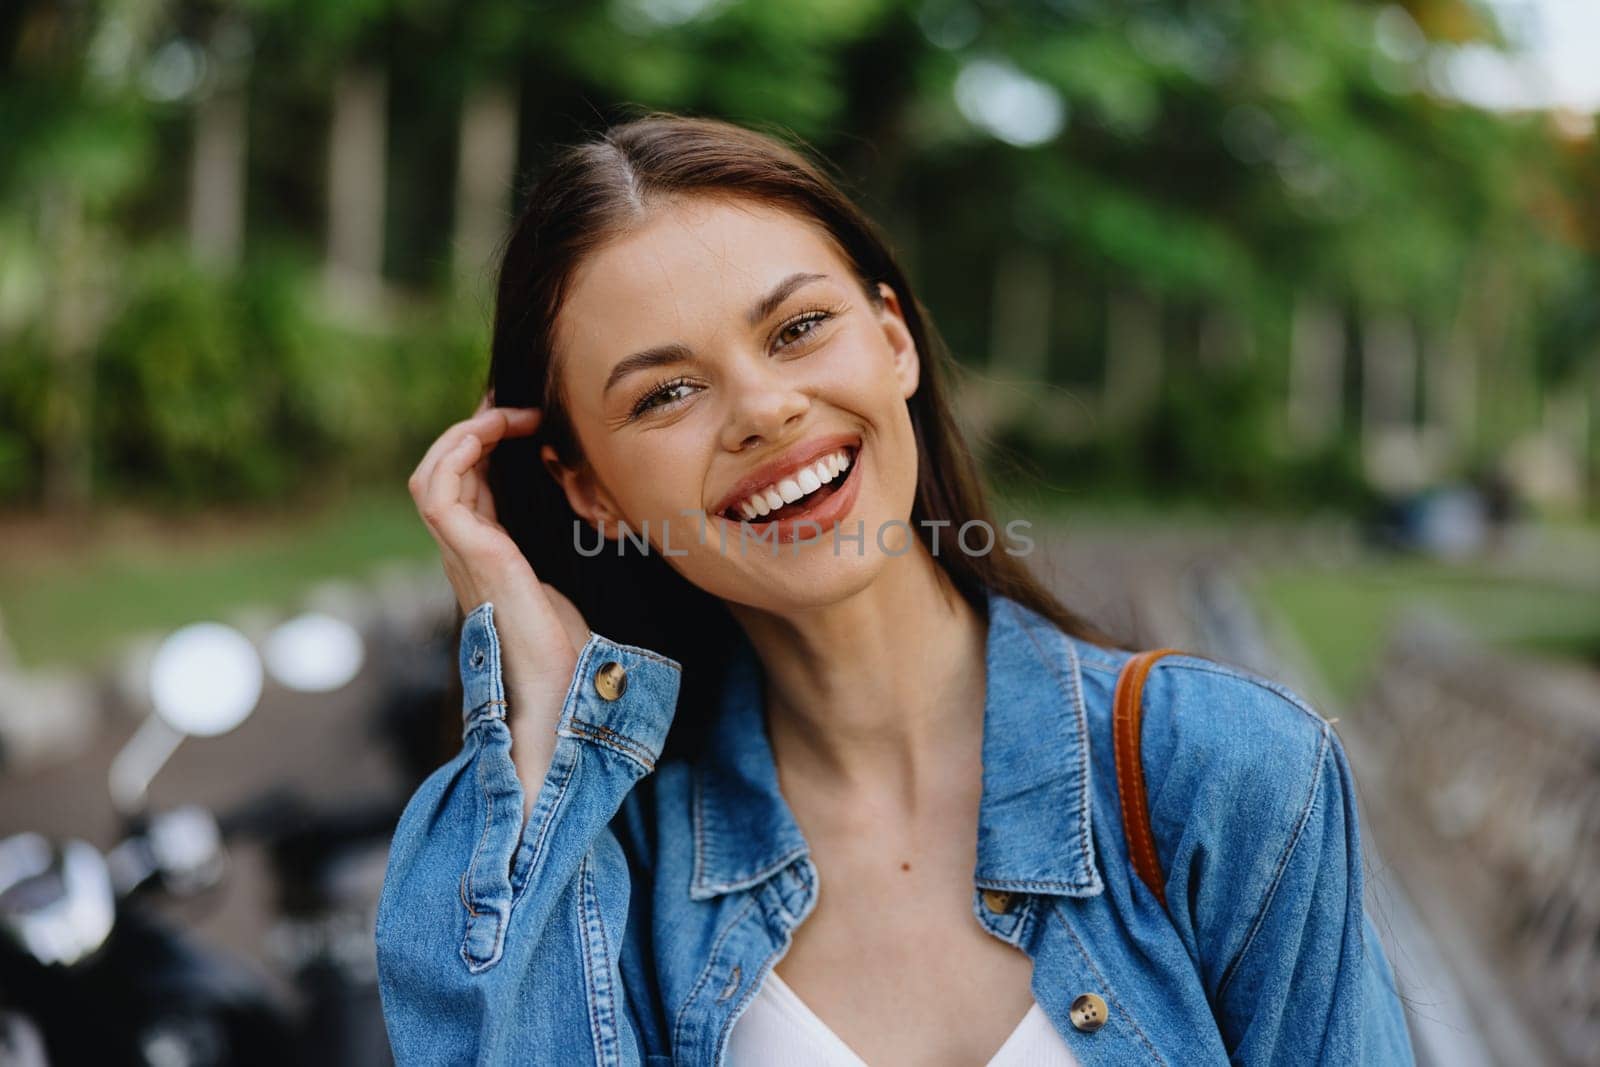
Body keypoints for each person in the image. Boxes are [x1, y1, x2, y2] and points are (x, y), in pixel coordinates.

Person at [375, 113, 1414, 1066]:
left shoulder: (1220, 772)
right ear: (590, 488)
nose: (764, 408)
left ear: (894, 338)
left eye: (796, 329)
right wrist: (545, 708)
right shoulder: (615, 871)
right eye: (667, 392)